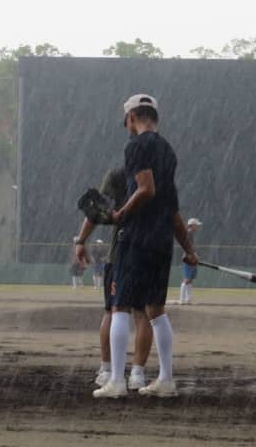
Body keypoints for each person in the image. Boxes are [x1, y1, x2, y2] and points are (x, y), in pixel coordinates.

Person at [91, 94, 198, 399]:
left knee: (121, 306)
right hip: (162, 240)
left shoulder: (136, 146)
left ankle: (116, 381)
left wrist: (121, 214)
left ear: (132, 117)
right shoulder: (167, 150)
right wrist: (187, 247)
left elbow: (146, 189)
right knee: (156, 311)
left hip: (136, 237)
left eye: (126, 121)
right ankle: (165, 379)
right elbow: (173, 206)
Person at [75, 167, 154, 391]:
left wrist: (81, 241)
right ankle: (137, 373)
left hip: (120, 252)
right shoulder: (156, 177)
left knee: (114, 311)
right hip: (148, 251)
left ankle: (107, 370)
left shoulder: (118, 175)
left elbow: (95, 211)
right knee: (142, 313)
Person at [179, 218, 203, 305]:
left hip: (192, 259)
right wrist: (194, 255)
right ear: (192, 225)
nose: (197, 227)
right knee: (187, 279)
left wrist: (195, 256)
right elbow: (188, 247)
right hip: (189, 259)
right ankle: (182, 300)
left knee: (190, 279)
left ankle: (188, 299)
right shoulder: (188, 233)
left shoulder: (190, 233)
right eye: (196, 225)